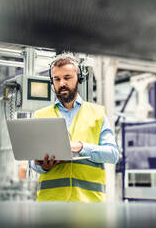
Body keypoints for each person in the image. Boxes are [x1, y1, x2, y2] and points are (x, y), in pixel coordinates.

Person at [30, 54, 119, 202]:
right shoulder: (40, 116)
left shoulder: (97, 114)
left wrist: (80, 147)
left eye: (67, 77)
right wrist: (42, 166)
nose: (62, 83)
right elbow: (32, 164)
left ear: (78, 78)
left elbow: (112, 154)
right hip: (50, 205)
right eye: (57, 79)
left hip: (88, 205)